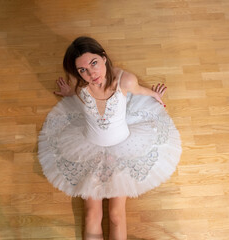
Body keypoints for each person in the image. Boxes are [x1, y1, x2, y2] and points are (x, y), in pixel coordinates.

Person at [38, 36, 182, 240]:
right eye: (82, 70)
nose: (91, 73)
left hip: (122, 148)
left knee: (115, 215)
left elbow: (138, 90)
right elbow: (77, 92)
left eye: (94, 63)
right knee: (92, 214)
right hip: (88, 147)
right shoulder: (80, 85)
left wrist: (154, 94)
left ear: (104, 58)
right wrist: (68, 92)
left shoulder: (125, 80)